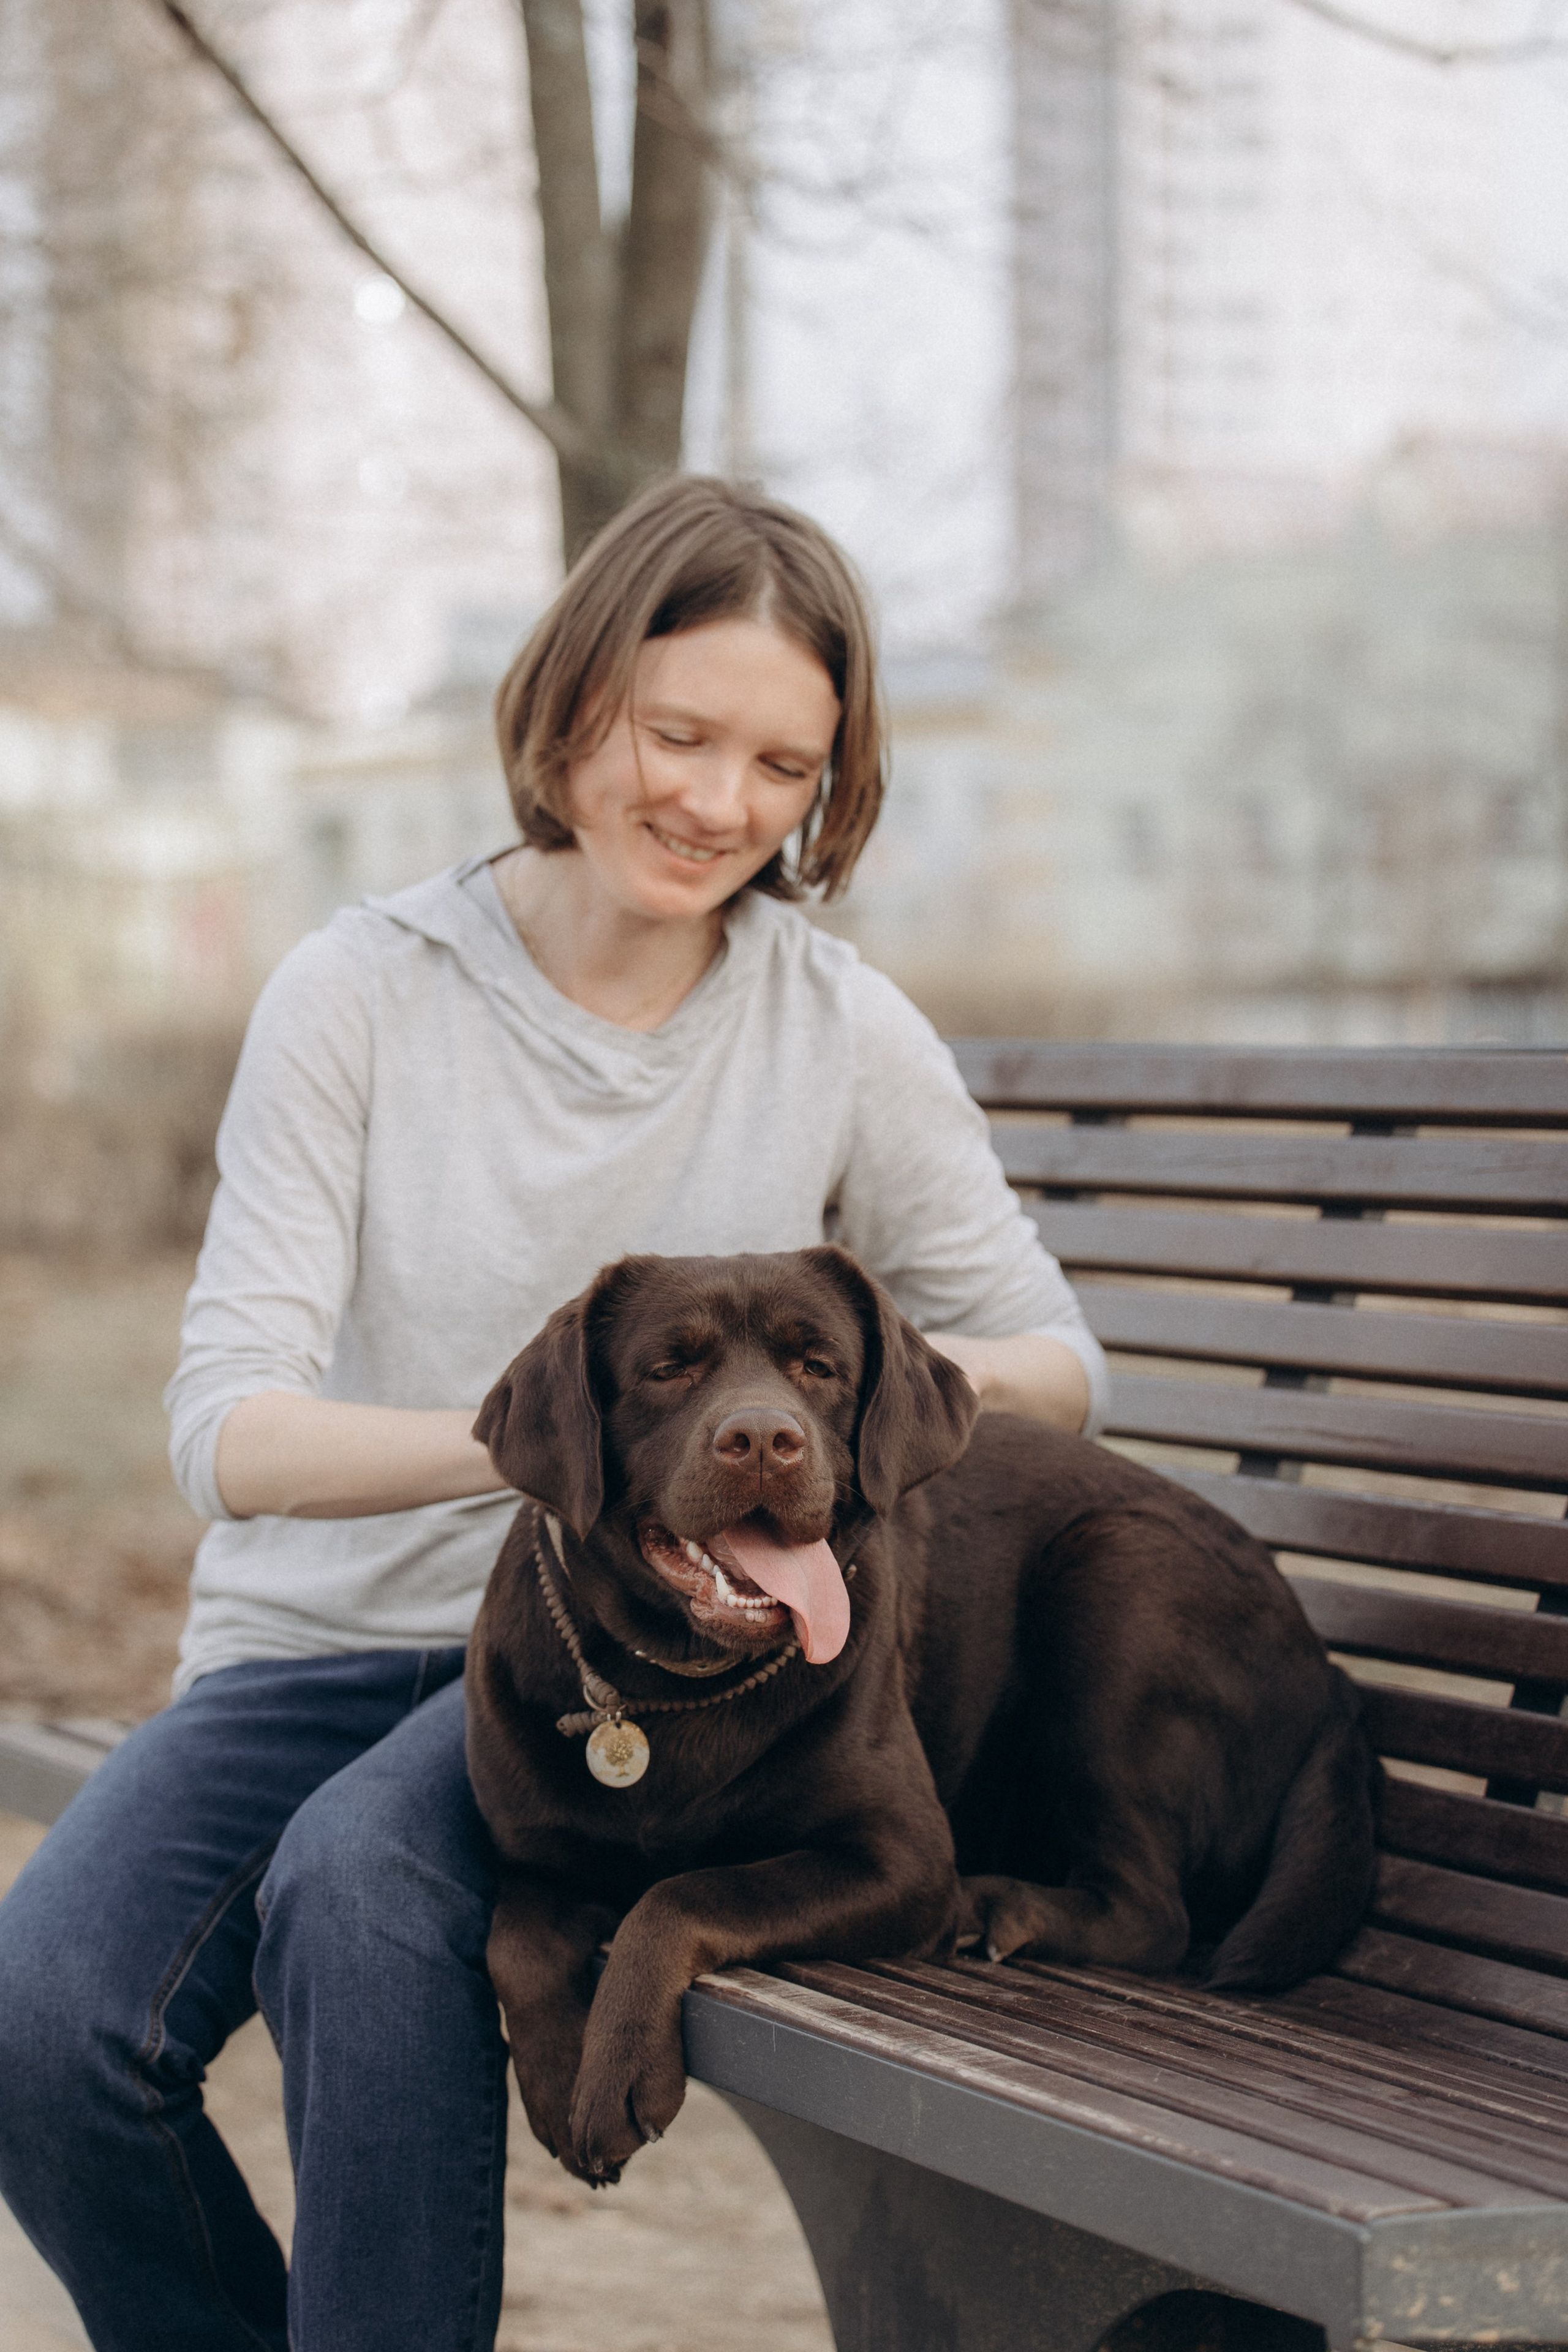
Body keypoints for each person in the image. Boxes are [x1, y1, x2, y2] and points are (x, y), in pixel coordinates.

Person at [0, 475, 1108, 2352]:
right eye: (679, 734)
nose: (716, 802)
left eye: (782, 762)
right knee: (46, 2024)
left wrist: (812, 1432)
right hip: (320, 1648)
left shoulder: (835, 1029)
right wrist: (556, 1450)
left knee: (361, 1893)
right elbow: (229, 1430)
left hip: (650, 1685)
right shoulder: (360, 992)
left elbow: (1056, 1371)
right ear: (576, 697)